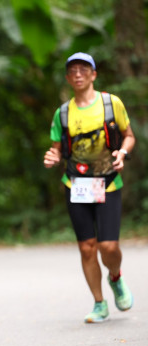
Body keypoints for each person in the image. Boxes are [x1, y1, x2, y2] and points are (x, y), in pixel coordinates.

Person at [44, 52, 135, 323]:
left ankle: (115, 278)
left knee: (108, 246)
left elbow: (128, 136)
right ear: (67, 78)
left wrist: (122, 153)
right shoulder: (62, 113)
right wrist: (53, 157)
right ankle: (99, 303)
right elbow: (57, 149)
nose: (78, 74)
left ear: (93, 74)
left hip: (108, 182)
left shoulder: (111, 103)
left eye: (84, 69)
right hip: (77, 184)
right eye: (72, 70)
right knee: (87, 247)